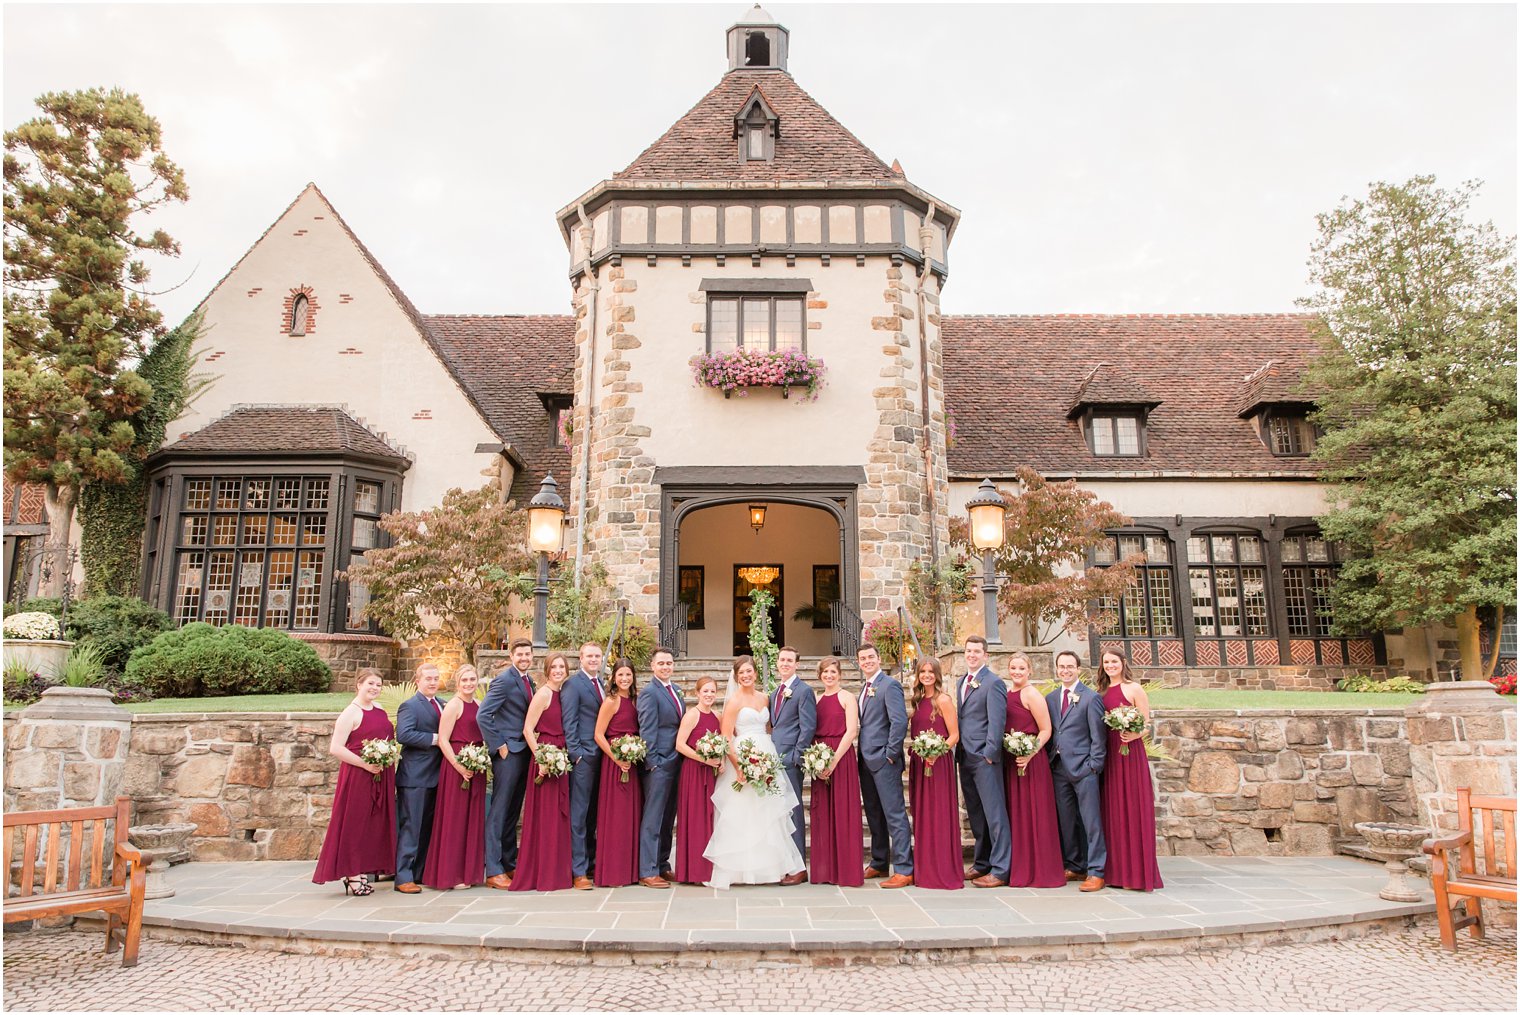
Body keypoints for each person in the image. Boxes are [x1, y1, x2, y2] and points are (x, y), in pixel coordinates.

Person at [704, 656, 805, 888]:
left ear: (755, 673)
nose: (746, 676)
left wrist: (765, 759)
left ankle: (771, 868)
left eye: (749, 671)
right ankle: (741, 870)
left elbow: (769, 727)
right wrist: (740, 767)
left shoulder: (764, 697)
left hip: (766, 755)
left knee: (769, 812)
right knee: (744, 812)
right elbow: (726, 737)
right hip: (743, 757)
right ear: (736, 676)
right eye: (741, 673)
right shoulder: (734, 702)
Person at [313, 668, 396, 894]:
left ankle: (362, 870)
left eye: (378, 685)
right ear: (359, 684)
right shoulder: (351, 712)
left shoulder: (379, 709)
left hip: (380, 774)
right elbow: (336, 748)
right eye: (370, 683)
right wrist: (365, 764)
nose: (374, 688)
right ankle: (352, 875)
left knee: (373, 825)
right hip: (359, 775)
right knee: (354, 824)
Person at [1097, 648, 1164, 891]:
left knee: (1133, 808)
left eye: (1114, 661)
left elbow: (1146, 723)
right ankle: (1116, 872)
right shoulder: (1101, 692)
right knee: (1113, 810)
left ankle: (1137, 874)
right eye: (1106, 662)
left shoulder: (1134, 688)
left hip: (1130, 752)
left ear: (1123, 663)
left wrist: (1133, 733)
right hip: (1110, 755)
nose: (1110, 665)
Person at [510, 652, 574, 892]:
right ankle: (542, 873)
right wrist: (542, 758)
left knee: (559, 815)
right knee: (545, 816)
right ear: (547, 670)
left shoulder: (564, 693)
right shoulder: (544, 694)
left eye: (562, 666)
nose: (558, 670)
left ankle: (558, 872)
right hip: (546, 756)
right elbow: (528, 729)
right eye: (554, 667)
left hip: (562, 756)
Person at [1045, 650, 1107, 892]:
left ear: (1078, 668)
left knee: (1091, 821)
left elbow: (1098, 737)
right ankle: (1074, 864)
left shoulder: (1090, 698)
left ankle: (1096, 870)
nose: (1065, 670)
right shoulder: (1051, 698)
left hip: (1084, 768)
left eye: (1070, 666)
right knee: (1067, 820)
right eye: (1061, 666)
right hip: (1059, 768)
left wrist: (1094, 765)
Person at [422, 664, 487, 890]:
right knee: (455, 820)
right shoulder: (453, 706)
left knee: (472, 819)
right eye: (464, 680)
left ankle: (469, 872)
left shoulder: (479, 705)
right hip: (456, 767)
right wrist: (459, 766)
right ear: (457, 683)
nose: (469, 684)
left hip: (476, 767)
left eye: (472, 679)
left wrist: (480, 759)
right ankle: (452, 874)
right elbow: (443, 740)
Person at [1003, 652, 1065, 888]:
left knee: (1034, 813)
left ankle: (1041, 869)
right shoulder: (1009, 694)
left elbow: (1046, 730)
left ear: (1030, 670)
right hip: (1012, 760)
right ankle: (1021, 866)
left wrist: (1029, 753)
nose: (1017, 672)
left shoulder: (1032, 694)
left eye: (1021, 668)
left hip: (1031, 761)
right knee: (1017, 815)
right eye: (1013, 668)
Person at [477, 638, 535, 889]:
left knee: (513, 811)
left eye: (527, 654)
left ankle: (509, 861)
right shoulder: (503, 680)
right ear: (511, 656)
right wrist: (499, 745)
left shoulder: (528, 680)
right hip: (508, 753)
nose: (524, 657)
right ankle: (494, 869)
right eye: (520, 654)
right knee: (500, 810)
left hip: (523, 752)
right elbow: (483, 715)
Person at [956, 635, 1012, 888]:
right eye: (969, 651)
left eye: (977, 651)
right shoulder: (961, 682)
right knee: (976, 814)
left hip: (984, 758)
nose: (972, 655)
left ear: (985, 655)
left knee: (994, 814)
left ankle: (1001, 869)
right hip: (965, 756)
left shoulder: (994, 683)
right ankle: (982, 863)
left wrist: (990, 753)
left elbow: (997, 722)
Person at [856, 643, 913, 888]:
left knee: (894, 814)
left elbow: (899, 721)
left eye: (871, 657)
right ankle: (879, 862)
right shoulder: (864, 687)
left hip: (884, 760)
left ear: (879, 659)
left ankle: (904, 868)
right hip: (866, 760)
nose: (867, 661)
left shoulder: (890, 685)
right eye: (863, 658)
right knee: (874, 813)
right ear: (859, 662)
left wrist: (890, 754)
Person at [907, 658, 963, 891]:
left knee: (938, 814)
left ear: (937, 675)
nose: (927, 675)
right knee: (923, 815)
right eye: (923, 672)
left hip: (938, 764)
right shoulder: (918, 701)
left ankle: (943, 869)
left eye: (931, 672)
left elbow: (954, 735)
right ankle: (925, 869)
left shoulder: (943, 700)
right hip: (920, 764)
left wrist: (937, 752)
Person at [808, 656, 863, 886]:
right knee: (823, 814)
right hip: (819, 756)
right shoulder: (817, 698)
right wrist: (816, 760)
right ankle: (824, 871)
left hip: (841, 757)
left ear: (840, 674)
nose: (829, 676)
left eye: (833, 672)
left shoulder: (847, 697)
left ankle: (847, 871)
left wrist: (832, 761)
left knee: (843, 812)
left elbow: (851, 731)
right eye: (825, 672)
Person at [393, 663, 445, 894]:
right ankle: (403, 876)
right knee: (411, 827)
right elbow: (404, 734)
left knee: (427, 828)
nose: (432, 682)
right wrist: (436, 739)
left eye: (435, 678)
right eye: (428, 679)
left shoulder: (443, 704)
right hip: (415, 777)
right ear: (418, 681)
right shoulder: (410, 706)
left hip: (437, 776)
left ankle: (420, 872)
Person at [768, 645, 816, 885]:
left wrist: (797, 756)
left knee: (794, 811)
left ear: (797, 664)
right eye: (781, 660)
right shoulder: (775, 692)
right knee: (779, 813)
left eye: (789, 660)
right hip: (773, 760)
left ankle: (799, 867)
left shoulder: (803, 691)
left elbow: (807, 727)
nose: (785, 663)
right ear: (777, 663)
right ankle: (783, 862)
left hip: (791, 761)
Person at [636, 647, 684, 888]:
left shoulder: (675, 690)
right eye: (661, 663)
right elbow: (647, 730)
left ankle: (663, 864)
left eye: (669, 663)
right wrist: (653, 763)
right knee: (653, 818)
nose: (666, 667)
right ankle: (647, 869)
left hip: (676, 762)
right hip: (659, 763)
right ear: (652, 666)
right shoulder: (649, 693)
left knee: (668, 818)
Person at [592, 658, 642, 887]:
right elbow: (599, 735)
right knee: (615, 817)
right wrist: (617, 757)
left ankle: (629, 871)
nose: (624, 679)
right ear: (613, 677)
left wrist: (633, 754)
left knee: (630, 816)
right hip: (615, 763)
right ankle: (612, 873)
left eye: (628, 675)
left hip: (632, 764)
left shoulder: (636, 699)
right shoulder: (611, 701)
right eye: (620, 675)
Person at [562, 641, 606, 890]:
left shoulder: (600, 683)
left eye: (597, 656)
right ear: (581, 658)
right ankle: (578, 870)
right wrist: (576, 754)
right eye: (589, 656)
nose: (593, 659)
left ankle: (590, 863)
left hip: (601, 756)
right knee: (578, 814)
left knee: (593, 814)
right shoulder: (573, 685)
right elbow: (569, 721)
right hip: (583, 757)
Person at [672, 674, 722, 885]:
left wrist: (719, 760)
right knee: (695, 820)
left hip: (711, 774)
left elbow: (724, 742)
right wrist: (703, 758)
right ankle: (693, 871)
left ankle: (707, 869)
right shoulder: (692, 715)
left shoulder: (717, 716)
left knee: (709, 820)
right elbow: (680, 745)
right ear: (697, 693)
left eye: (712, 691)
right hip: (693, 772)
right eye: (705, 691)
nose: (709, 695)